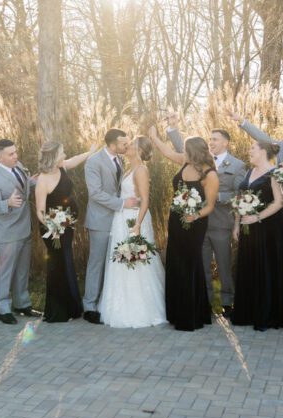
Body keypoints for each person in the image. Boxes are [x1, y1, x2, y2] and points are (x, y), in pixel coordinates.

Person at [165, 115, 246, 317]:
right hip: (196, 226)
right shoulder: (196, 161)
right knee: (201, 266)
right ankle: (206, 302)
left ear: (226, 142)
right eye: (209, 139)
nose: (211, 142)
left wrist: (213, 193)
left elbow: (240, 195)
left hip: (220, 222)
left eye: (215, 139)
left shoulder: (237, 165)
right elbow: (182, 149)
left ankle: (228, 302)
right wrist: (172, 130)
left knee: (224, 264)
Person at [150, 129, 219, 331]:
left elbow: (210, 206)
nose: (183, 152)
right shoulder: (185, 162)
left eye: (186, 149)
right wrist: (154, 137)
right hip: (176, 221)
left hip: (195, 223)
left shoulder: (210, 174)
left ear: (194, 151)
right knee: (176, 262)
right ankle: (176, 311)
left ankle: (192, 315)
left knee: (190, 263)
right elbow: (168, 152)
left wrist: (195, 215)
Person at [97, 136, 167, 328]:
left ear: (139, 150)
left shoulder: (141, 170)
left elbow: (145, 200)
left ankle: (142, 309)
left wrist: (137, 224)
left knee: (136, 262)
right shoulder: (129, 168)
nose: (127, 146)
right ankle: (121, 306)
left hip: (134, 220)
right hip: (122, 220)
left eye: (131, 144)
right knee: (123, 261)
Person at [230, 111, 283, 274]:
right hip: (277, 216)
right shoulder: (281, 147)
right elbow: (262, 137)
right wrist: (243, 121)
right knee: (275, 260)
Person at [82, 129, 139, 325]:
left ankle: (108, 303)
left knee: (113, 263)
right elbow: (95, 193)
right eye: (123, 143)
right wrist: (122, 204)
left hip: (119, 220)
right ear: (112, 144)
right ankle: (89, 306)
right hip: (100, 220)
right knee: (96, 262)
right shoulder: (94, 162)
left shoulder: (120, 160)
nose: (126, 146)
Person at [231, 142, 283, 331]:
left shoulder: (275, 172)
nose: (249, 151)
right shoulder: (250, 172)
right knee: (249, 265)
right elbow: (241, 198)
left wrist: (257, 217)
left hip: (269, 228)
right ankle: (248, 312)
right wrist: (237, 223)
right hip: (248, 226)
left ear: (263, 152)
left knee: (266, 267)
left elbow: (279, 202)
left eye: (252, 149)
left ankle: (267, 313)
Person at [34, 141, 94, 323]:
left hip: (66, 226)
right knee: (57, 265)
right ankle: (58, 311)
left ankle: (71, 308)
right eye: (62, 152)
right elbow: (40, 211)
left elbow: (75, 159)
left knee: (66, 262)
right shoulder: (42, 180)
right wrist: (54, 228)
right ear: (54, 157)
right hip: (52, 229)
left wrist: (89, 152)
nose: (65, 155)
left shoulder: (63, 168)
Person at [0, 139, 40, 324]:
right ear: (0, 157)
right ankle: (3, 309)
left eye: (16, 152)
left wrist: (34, 182)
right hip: (6, 233)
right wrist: (7, 203)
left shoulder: (19, 166)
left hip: (24, 228)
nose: (16, 156)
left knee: (22, 271)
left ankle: (22, 303)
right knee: (4, 272)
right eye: (11, 154)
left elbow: (24, 188)